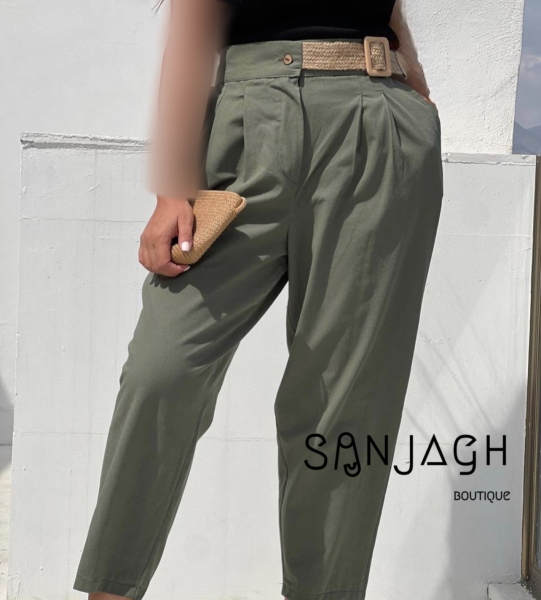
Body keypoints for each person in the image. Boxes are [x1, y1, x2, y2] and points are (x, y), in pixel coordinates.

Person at [73, 0, 443, 599]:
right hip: (248, 123)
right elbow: (193, 31)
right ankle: (110, 590)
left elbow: (391, 10)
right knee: (160, 370)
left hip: (378, 122)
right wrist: (172, 189)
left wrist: (417, 95)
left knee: (343, 401)